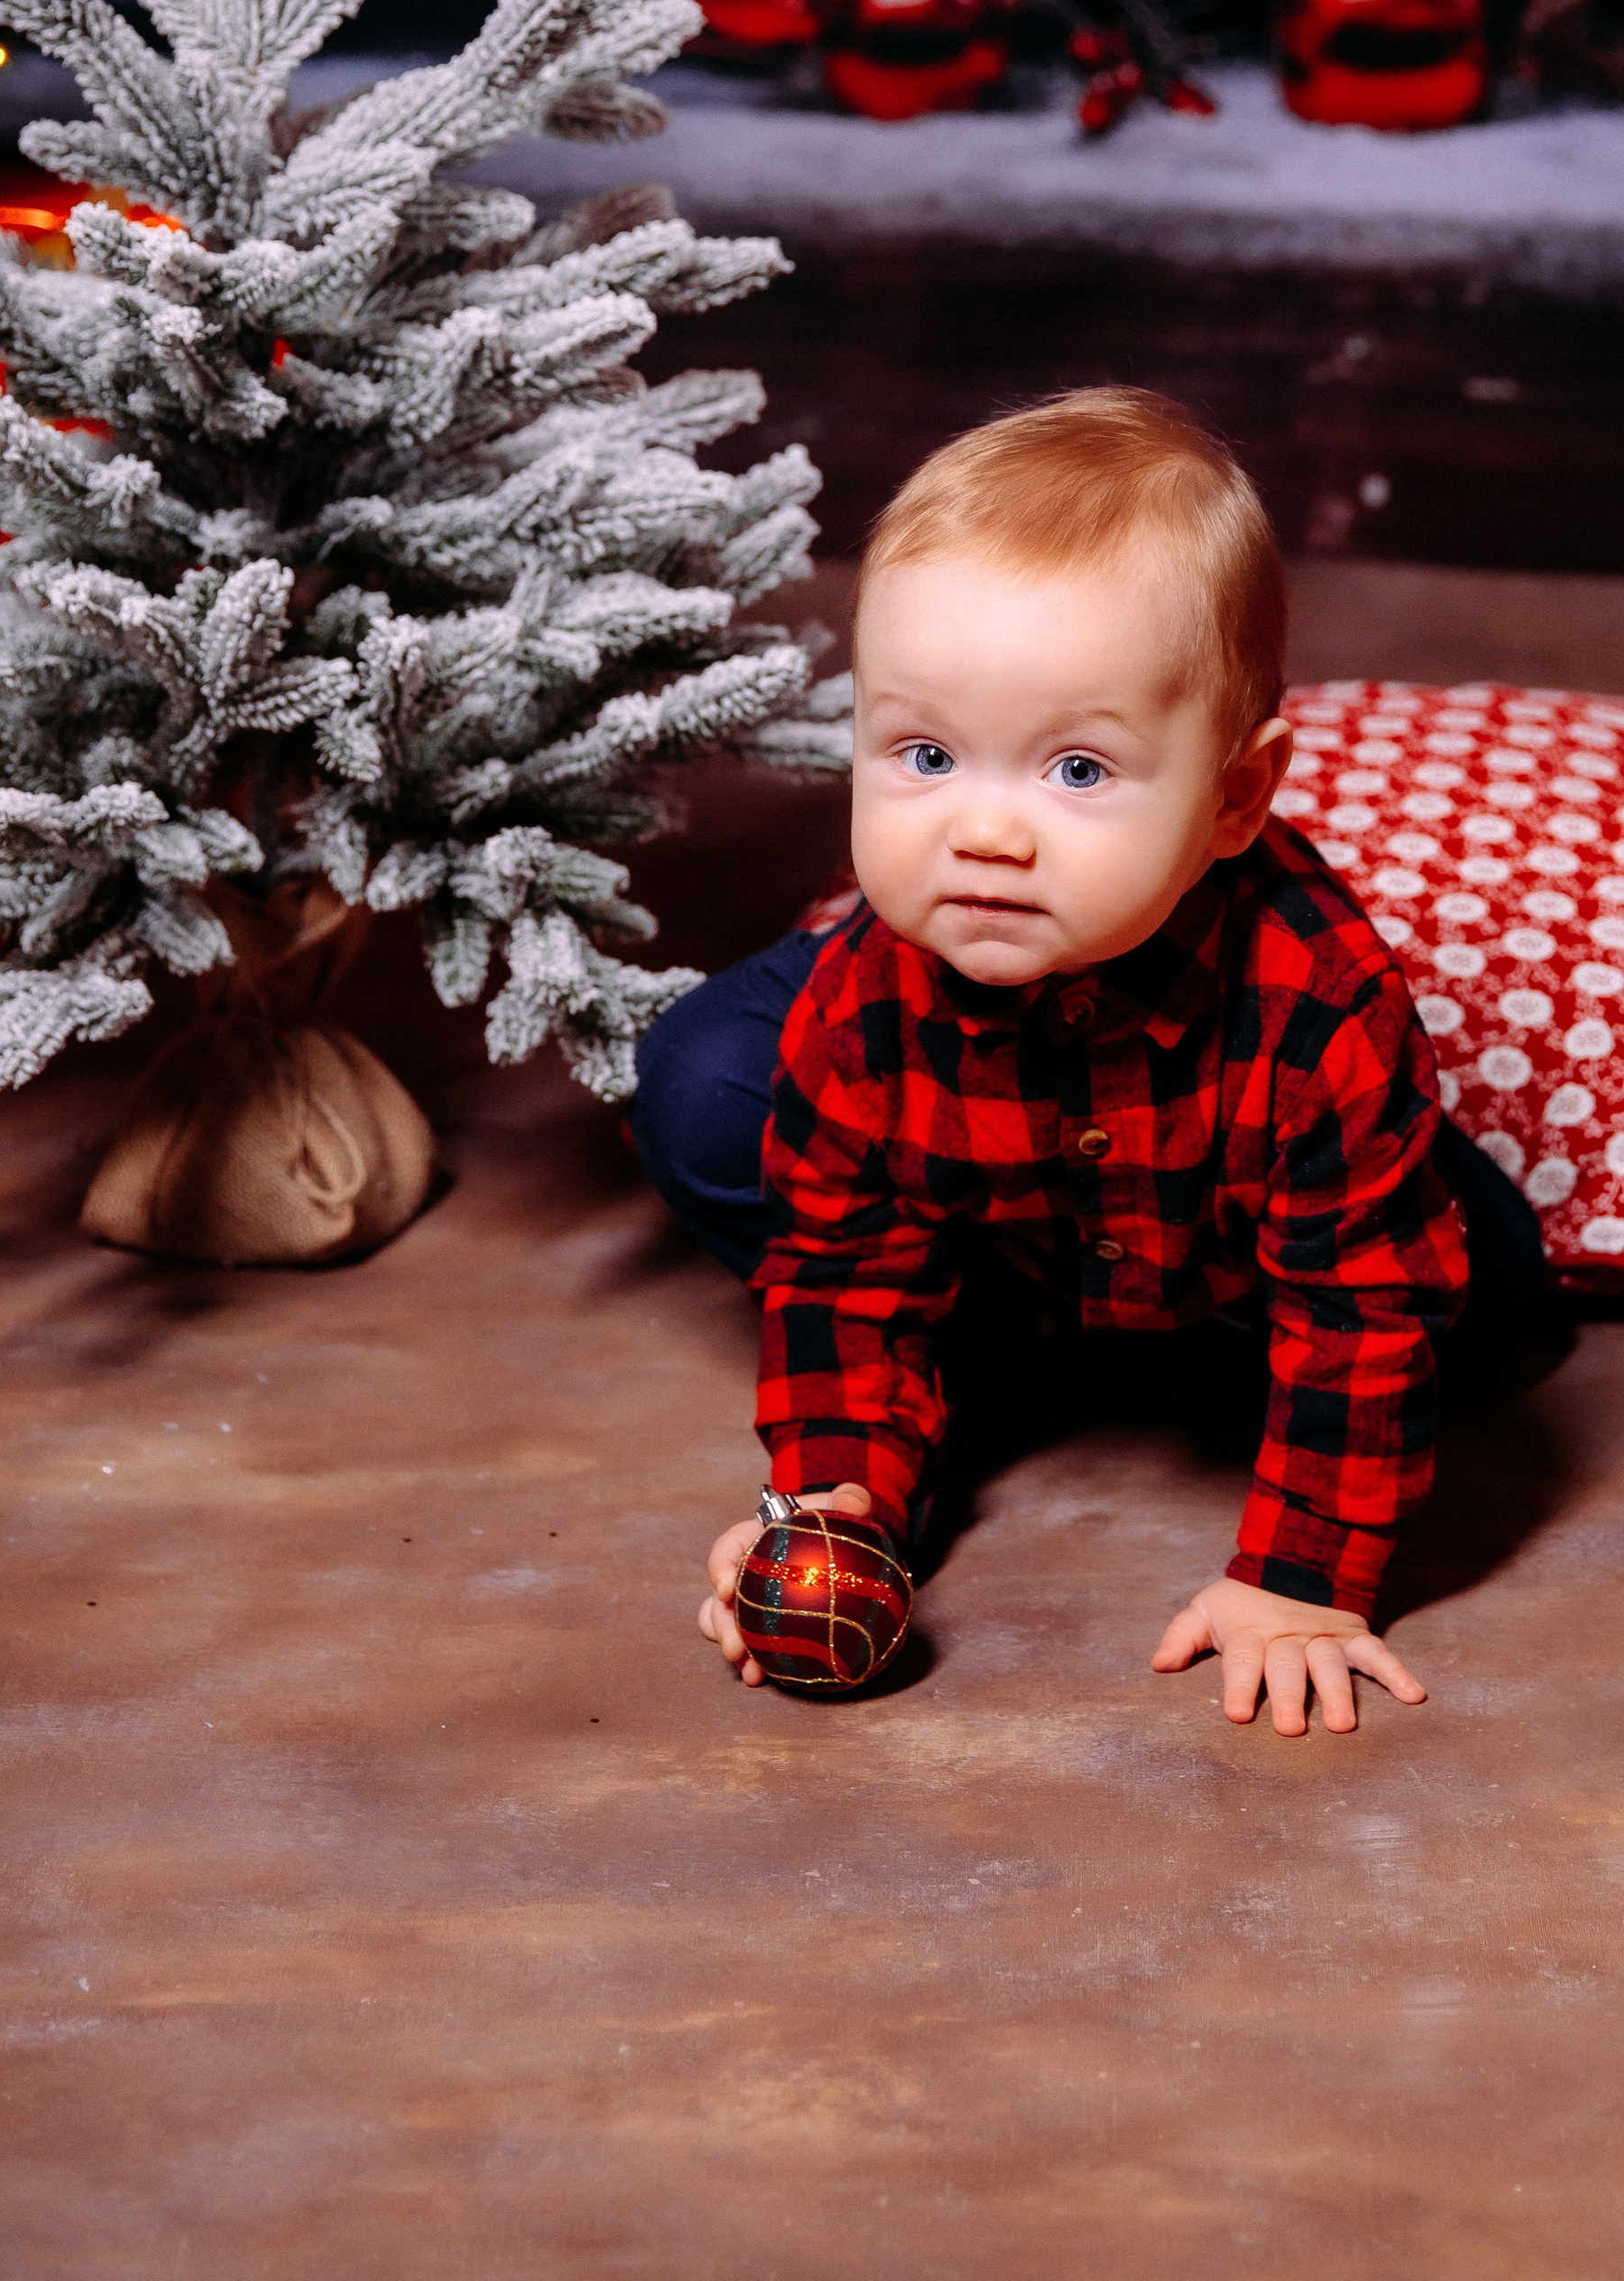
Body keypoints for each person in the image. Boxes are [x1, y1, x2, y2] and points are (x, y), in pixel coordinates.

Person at [632, 387, 1543, 1736]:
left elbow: (1364, 1308)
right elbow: (842, 1277)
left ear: (1235, 797)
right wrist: (838, 1495)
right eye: (926, 754)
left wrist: (1300, 1581)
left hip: (1248, 1218)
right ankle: (996, 1344)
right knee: (712, 1088)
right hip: (1013, 1200)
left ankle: (1181, 1320)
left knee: (1487, 1306)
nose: (985, 832)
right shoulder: (857, 1005)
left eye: (1075, 770)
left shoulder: (1316, 1005)